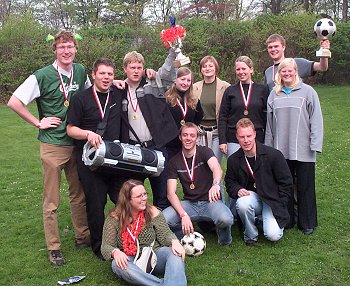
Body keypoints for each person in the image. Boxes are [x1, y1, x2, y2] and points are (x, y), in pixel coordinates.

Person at [7, 31, 90, 266]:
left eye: (70, 46)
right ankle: (54, 247)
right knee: (52, 200)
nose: (66, 51)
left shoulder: (81, 70)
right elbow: (14, 101)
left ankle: (82, 236)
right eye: (62, 47)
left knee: (78, 195)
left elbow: (90, 94)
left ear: (75, 49)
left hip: (76, 143)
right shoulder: (42, 75)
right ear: (55, 49)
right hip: (52, 144)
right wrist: (37, 122)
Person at [66, 58, 130, 258]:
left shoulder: (119, 93)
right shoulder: (80, 99)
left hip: (115, 160)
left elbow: (137, 78)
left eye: (110, 74)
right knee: (96, 203)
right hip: (89, 160)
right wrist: (87, 134)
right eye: (102, 73)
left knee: (124, 197)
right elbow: (70, 129)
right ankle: (100, 246)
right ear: (93, 75)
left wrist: (150, 72)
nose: (106, 77)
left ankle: (129, 237)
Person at [265, 58, 323, 235]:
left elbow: (316, 118)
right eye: (283, 71)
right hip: (281, 150)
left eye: (290, 71)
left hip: (303, 148)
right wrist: (269, 147)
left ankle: (307, 222)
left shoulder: (308, 92)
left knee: (305, 186)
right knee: (285, 185)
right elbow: (269, 124)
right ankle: (288, 219)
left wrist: (315, 143)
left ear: (296, 71)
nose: (287, 74)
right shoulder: (274, 94)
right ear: (279, 74)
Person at [122, 48, 179, 210]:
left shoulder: (152, 83)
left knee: (161, 192)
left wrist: (173, 51)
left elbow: (168, 72)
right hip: (133, 149)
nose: (136, 71)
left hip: (157, 146)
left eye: (139, 67)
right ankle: (138, 228)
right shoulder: (119, 89)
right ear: (125, 68)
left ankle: (161, 228)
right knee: (134, 194)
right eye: (132, 67)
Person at [101, 179, 187, 286]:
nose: (144, 199)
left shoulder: (153, 211)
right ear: (127, 200)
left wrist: (174, 241)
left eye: (145, 194)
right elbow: (106, 246)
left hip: (153, 254)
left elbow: (165, 234)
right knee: (117, 264)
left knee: (175, 254)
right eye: (139, 196)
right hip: (130, 258)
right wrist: (116, 252)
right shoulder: (114, 218)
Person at [163, 122, 233, 245]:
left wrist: (216, 184)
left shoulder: (205, 151)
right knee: (164, 218)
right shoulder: (174, 161)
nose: (188, 138)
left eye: (192, 135)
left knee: (226, 219)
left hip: (210, 202)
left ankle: (224, 241)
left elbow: (217, 168)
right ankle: (186, 235)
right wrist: (183, 215)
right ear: (180, 137)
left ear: (197, 138)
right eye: (185, 135)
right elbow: (171, 193)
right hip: (189, 204)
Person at [225, 118, 293, 245]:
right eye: (242, 137)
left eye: (249, 136)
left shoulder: (273, 155)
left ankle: (263, 220)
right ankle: (250, 235)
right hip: (252, 198)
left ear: (255, 134)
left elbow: (286, 182)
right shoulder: (234, 159)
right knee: (242, 203)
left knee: (273, 235)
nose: (246, 140)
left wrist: (281, 204)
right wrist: (237, 190)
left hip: (272, 200)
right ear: (237, 137)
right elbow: (230, 182)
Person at [218, 56, 269, 158]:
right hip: (234, 139)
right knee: (236, 170)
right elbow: (223, 117)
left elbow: (267, 116)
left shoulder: (262, 90)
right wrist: (222, 140)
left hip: (257, 138)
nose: (241, 72)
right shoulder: (230, 90)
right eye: (238, 69)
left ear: (251, 70)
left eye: (244, 68)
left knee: (257, 169)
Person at [193, 56, 230, 163]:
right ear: (201, 69)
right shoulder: (194, 88)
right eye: (204, 66)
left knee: (214, 164)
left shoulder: (225, 87)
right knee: (200, 166)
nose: (207, 68)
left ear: (216, 68)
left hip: (217, 133)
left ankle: (217, 181)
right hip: (200, 133)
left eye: (210, 66)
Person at [264, 33, 330, 92]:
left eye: (276, 46)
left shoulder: (297, 63)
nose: (273, 49)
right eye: (270, 47)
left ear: (283, 47)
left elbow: (322, 67)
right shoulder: (268, 72)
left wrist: (324, 51)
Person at [165, 66, 204, 159]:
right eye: (182, 79)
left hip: (188, 146)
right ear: (175, 79)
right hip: (170, 146)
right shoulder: (167, 99)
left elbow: (199, 116)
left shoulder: (194, 100)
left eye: (188, 80)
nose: (185, 83)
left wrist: (189, 130)